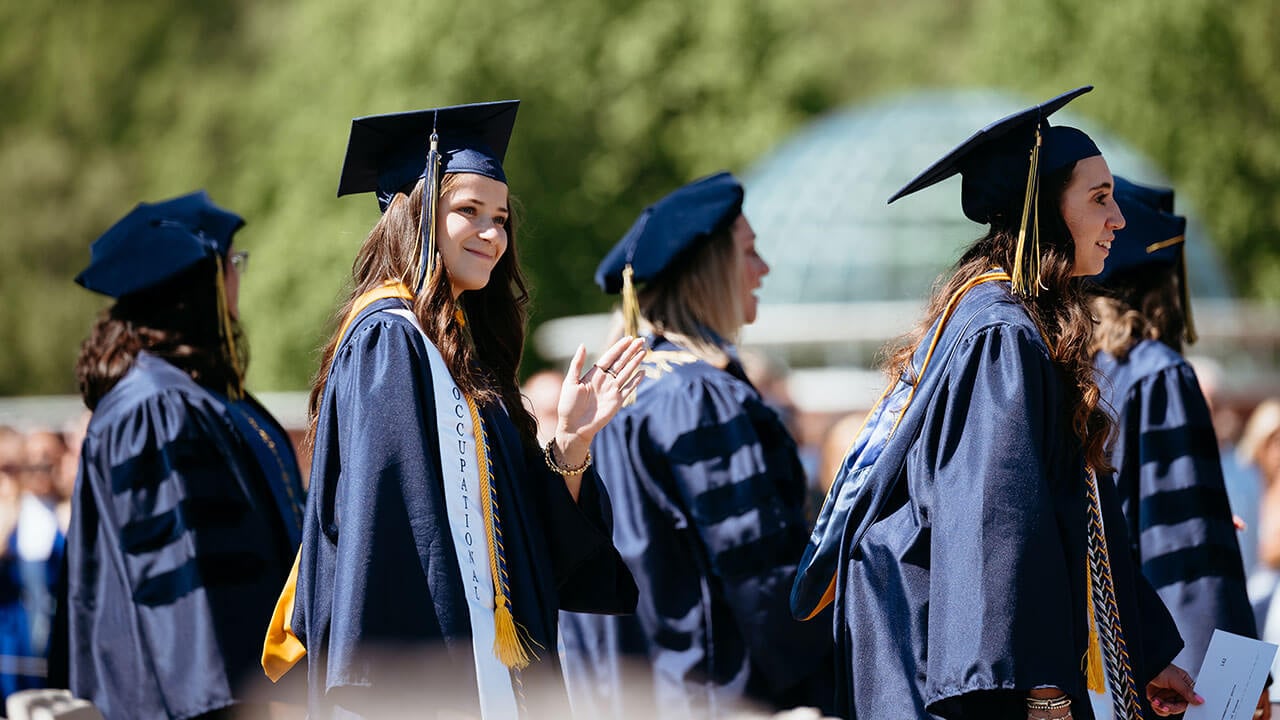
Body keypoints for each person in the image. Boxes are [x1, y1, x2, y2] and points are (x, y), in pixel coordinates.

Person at [792, 87, 1198, 720]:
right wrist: (1039, 696)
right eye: (1098, 199)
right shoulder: (1001, 334)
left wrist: (1146, 655)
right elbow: (996, 525)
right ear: (1043, 212)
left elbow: (1071, 512)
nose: (1119, 218)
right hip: (967, 683)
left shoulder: (1005, 318)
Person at [261, 101, 644, 720]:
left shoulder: (457, 353)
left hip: (489, 680)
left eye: (501, 219)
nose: (494, 235)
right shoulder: (390, 341)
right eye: (468, 211)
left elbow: (521, 540)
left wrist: (571, 440)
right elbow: (387, 540)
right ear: (415, 216)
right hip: (432, 688)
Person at [579, 172, 834, 717]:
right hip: (714, 690)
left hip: (629, 688)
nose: (762, 269)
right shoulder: (695, 396)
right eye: (749, 251)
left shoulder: (622, 388)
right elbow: (757, 566)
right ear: (710, 267)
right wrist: (826, 672)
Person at [66, 191, 306, 719]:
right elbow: (182, 586)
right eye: (233, 263)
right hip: (189, 700)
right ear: (202, 285)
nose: (238, 277)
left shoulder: (201, 397)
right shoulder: (154, 410)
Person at [1088, 178, 1261, 693]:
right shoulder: (1158, 373)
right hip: (1165, 660)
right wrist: (1233, 684)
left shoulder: (1078, 370)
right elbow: (1186, 549)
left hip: (1099, 646)